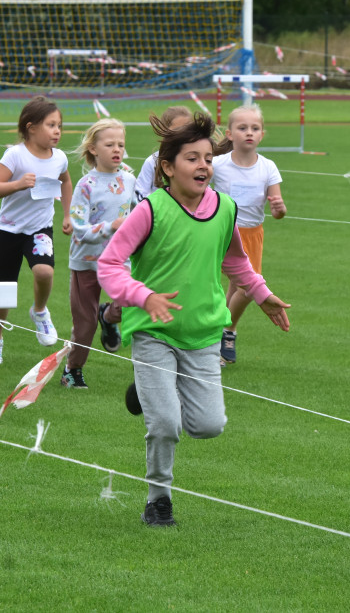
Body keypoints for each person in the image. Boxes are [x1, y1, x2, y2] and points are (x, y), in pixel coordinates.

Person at [98, 112, 290, 527]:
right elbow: (109, 265)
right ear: (167, 168)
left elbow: (237, 263)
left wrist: (262, 296)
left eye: (207, 158)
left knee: (208, 426)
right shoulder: (151, 210)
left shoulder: (225, 210)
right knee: (166, 424)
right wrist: (143, 295)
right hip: (153, 332)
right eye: (191, 158)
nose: (203, 166)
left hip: (204, 334)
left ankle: (146, 394)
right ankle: (158, 497)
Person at [0, 96, 73, 363]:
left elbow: (66, 181)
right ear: (31, 127)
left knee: (44, 270)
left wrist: (68, 214)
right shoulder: (15, 155)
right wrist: (17, 184)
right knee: (6, 288)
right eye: (51, 125)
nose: (57, 131)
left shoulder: (59, 158)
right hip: (8, 230)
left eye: (59, 125)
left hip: (40, 228)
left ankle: (39, 311)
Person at [62, 118, 136, 389]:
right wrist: (110, 226)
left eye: (121, 144)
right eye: (109, 144)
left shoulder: (129, 178)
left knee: (128, 301)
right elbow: (79, 228)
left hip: (119, 259)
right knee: (85, 324)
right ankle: (73, 369)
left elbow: (140, 212)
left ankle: (108, 317)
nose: (117, 149)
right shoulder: (86, 184)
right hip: (86, 261)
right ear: (93, 149)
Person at [210, 104, 286, 365]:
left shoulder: (268, 168)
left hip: (251, 234)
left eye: (254, 128)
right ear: (230, 133)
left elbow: (278, 209)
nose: (249, 133)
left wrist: (279, 208)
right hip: (221, 232)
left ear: (262, 134)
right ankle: (224, 333)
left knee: (242, 286)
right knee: (239, 286)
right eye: (242, 128)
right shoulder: (217, 164)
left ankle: (224, 332)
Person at [134, 105, 193, 202]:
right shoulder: (152, 162)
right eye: (178, 130)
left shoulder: (197, 160)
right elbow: (140, 192)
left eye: (188, 129)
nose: (184, 134)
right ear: (164, 131)